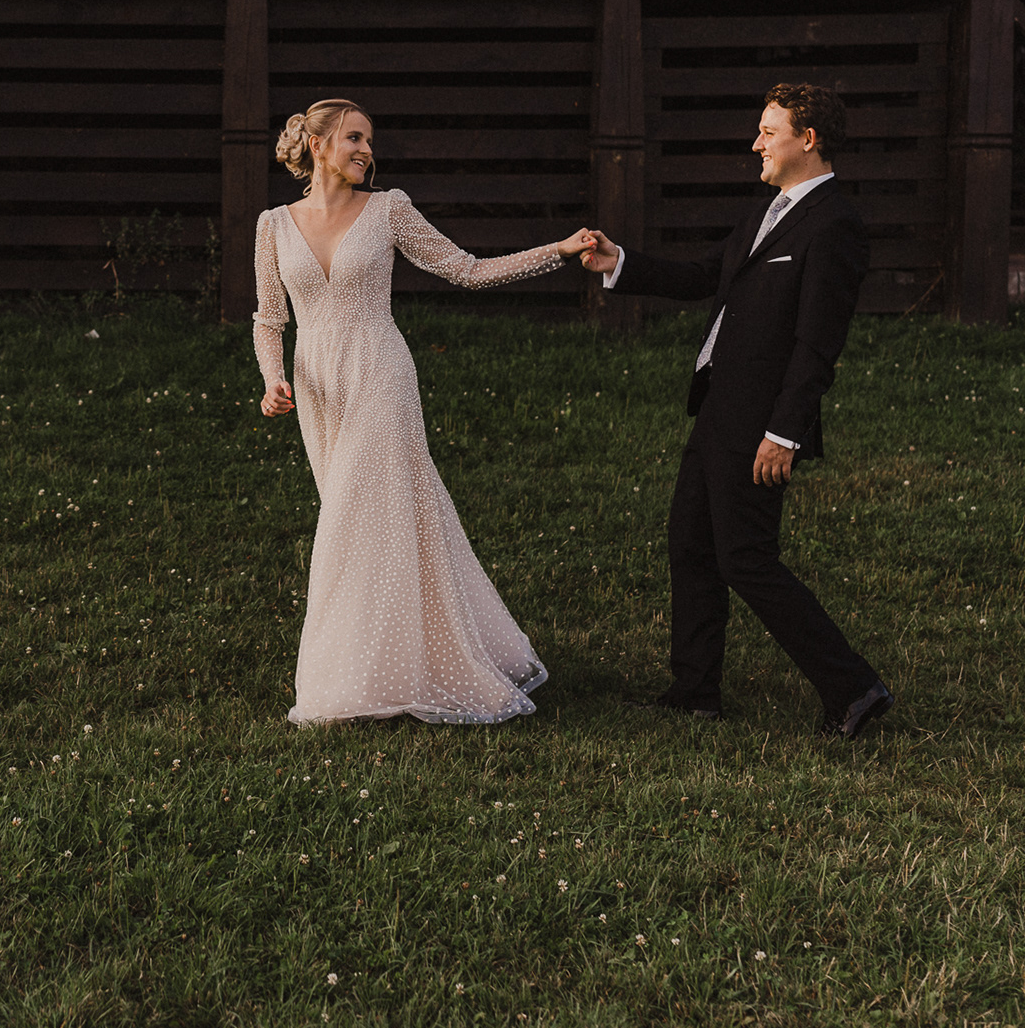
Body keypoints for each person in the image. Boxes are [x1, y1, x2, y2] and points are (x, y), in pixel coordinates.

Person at [254, 98, 595, 725]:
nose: (366, 151)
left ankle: (346, 682)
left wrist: (560, 249)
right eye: (354, 138)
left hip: (380, 374)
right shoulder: (273, 225)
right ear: (319, 145)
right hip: (317, 387)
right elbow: (269, 318)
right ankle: (384, 665)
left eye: (369, 140)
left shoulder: (388, 209)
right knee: (364, 523)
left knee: (350, 522)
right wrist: (273, 379)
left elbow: (467, 270)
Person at [581, 83, 891, 739]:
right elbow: (704, 276)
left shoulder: (834, 225)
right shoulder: (768, 211)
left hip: (760, 423)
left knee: (746, 558)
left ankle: (854, 689)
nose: (756, 144)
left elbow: (817, 344)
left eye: (768, 132)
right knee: (691, 545)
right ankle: (695, 692)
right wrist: (620, 263)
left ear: (808, 139)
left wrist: (784, 432)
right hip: (718, 408)